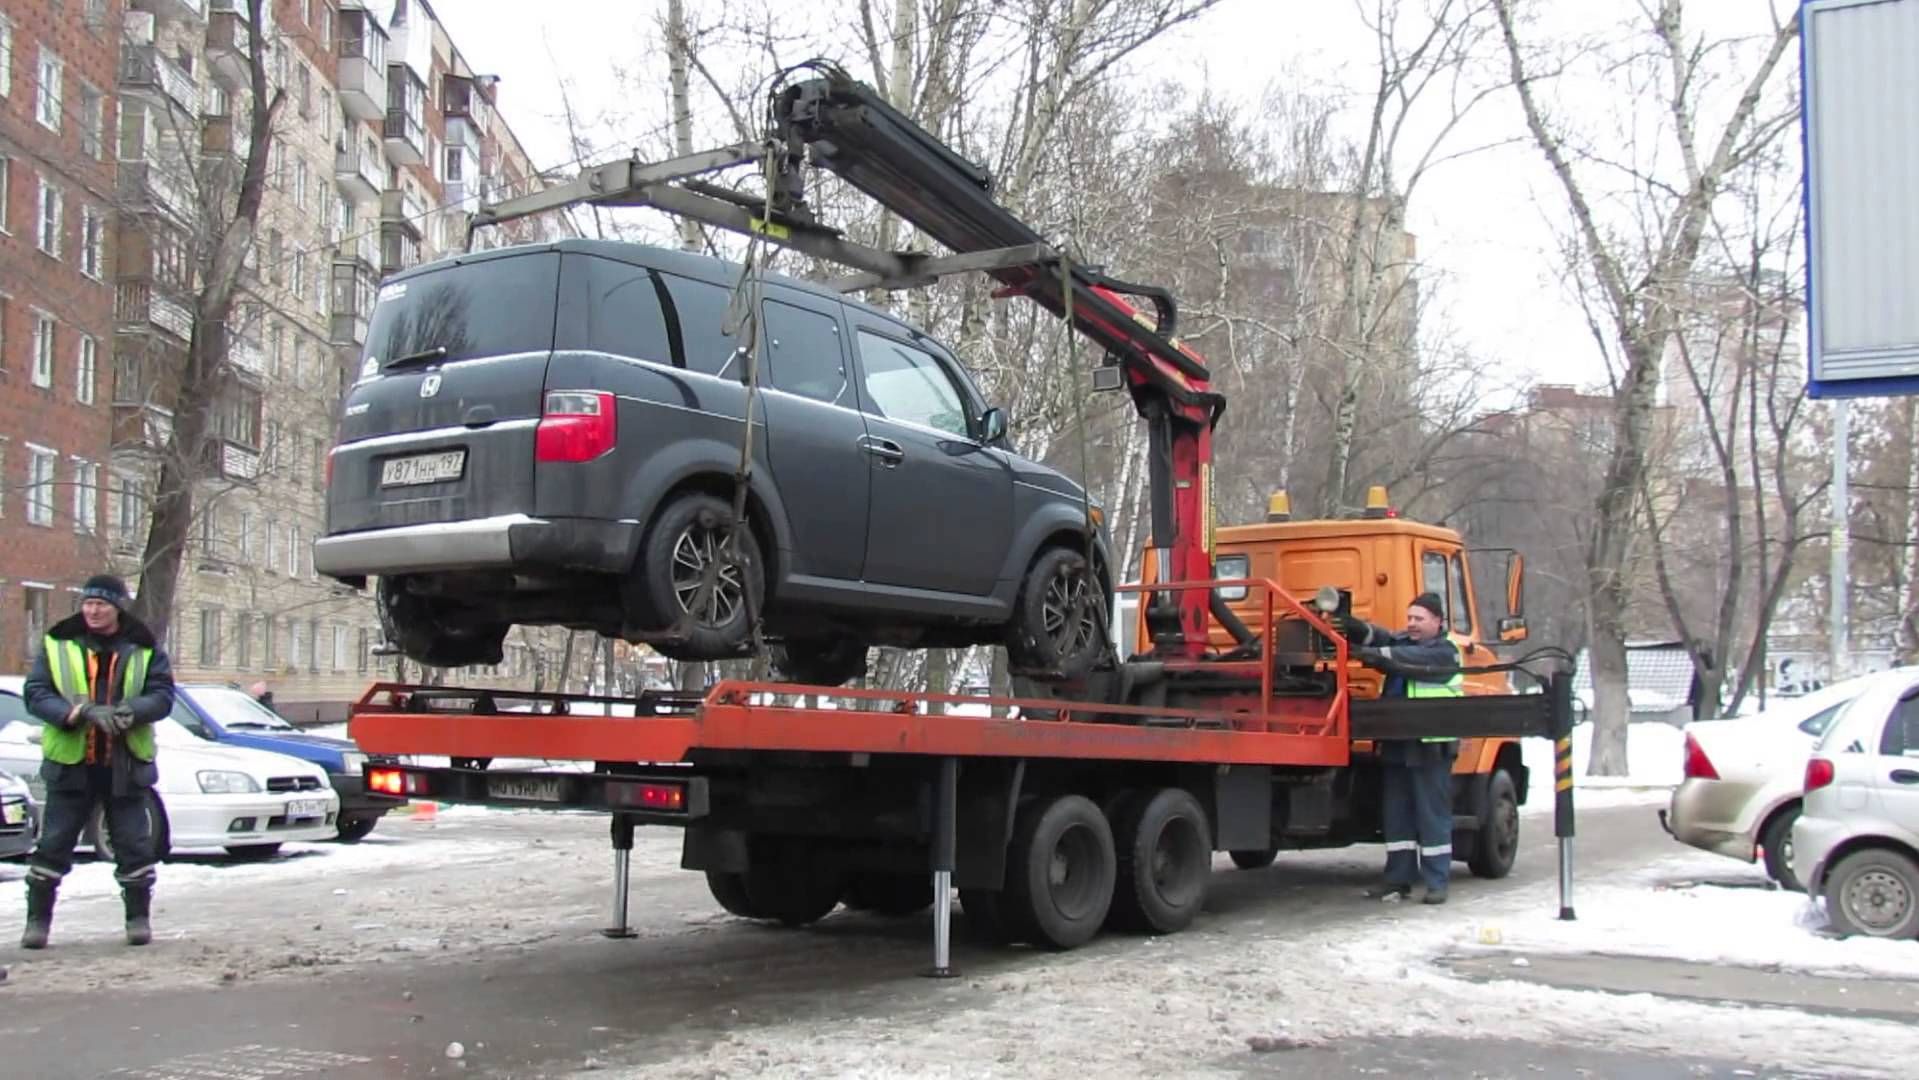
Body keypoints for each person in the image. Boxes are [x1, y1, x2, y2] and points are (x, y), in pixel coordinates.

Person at [19, 574, 176, 948]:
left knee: (134, 847)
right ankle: (37, 924)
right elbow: (36, 693)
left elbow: (163, 694)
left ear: (117, 607)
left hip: (124, 763)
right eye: (88, 603)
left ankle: (137, 921)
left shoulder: (143, 646)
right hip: (71, 763)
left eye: (101, 604)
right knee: (53, 844)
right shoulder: (59, 642)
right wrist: (78, 713)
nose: (92, 610)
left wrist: (131, 711)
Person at [1331, 591, 1463, 905]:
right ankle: (1398, 879)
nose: (1412, 624)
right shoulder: (1404, 643)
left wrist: (1369, 654)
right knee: (1397, 815)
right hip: (1397, 743)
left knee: (1431, 816)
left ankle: (1436, 882)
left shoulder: (1445, 651)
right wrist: (1352, 626)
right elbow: (1383, 638)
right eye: (1410, 618)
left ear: (1437, 621)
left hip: (1429, 746)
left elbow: (1403, 660)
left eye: (1419, 619)